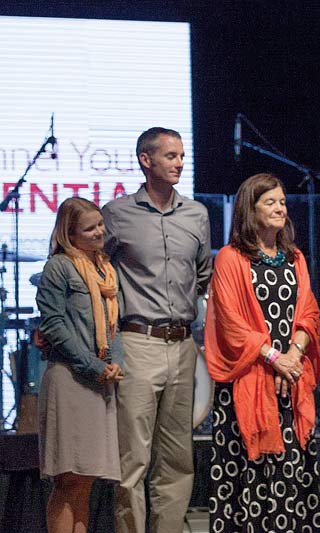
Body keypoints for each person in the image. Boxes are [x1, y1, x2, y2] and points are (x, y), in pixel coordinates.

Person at [103, 127, 211, 532]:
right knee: (133, 459)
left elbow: (202, 274)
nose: (179, 163)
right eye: (170, 156)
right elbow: (96, 270)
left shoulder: (196, 214)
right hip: (136, 341)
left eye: (182, 156)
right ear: (146, 161)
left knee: (177, 458)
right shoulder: (116, 214)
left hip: (182, 344)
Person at [204, 173, 320, 532]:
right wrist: (275, 358)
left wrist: (295, 356)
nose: (280, 208)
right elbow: (231, 322)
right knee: (249, 478)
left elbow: (309, 312)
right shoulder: (230, 258)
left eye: (283, 202)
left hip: (291, 380)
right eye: (270, 202)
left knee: (292, 473)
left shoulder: (295, 257)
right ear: (249, 209)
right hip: (249, 381)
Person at [36, 198, 124, 533]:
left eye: (100, 224)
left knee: (86, 480)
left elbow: (114, 322)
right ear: (70, 233)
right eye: (90, 228)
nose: (100, 232)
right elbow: (55, 325)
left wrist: (114, 363)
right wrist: (93, 365)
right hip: (71, 379)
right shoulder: (59, 267)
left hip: (99, 381)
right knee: (68, 479)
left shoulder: (105, 268)